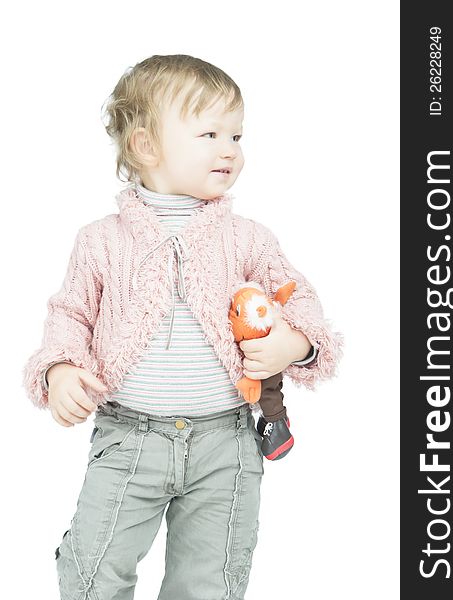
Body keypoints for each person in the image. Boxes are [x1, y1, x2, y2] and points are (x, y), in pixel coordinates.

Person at [22, 54, 342, 600]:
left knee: (210, 582)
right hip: (129, 438)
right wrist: (58, 370)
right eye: (211, 133)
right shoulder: (100, 240)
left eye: (237, 135)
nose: (230, 149)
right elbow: (70, 314)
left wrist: (296, 343)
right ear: (146, 146)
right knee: (92, 571)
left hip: (226, 443)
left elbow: (301, 298)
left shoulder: (247, 238)